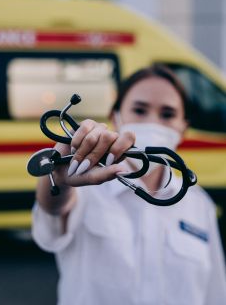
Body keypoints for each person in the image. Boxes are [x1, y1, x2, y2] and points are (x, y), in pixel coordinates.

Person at [32, 64, 226, 305]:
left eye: (167, 114)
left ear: (183, 127)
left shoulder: (199, 205)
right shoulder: (87, 190)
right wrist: (60, 183)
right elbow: (53, 212)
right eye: (139, 110)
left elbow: (215, 294)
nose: (153, 122)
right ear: (116, 118)